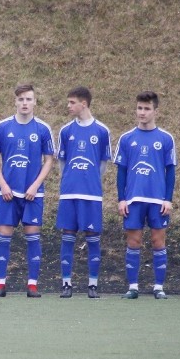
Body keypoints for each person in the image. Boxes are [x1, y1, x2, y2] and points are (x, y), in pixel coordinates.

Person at [0, 83, 55, 297]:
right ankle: (0, 284)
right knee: (4, 235)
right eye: (21, 99)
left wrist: (36, 185)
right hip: (8, 192)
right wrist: (3, 184)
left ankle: (32, 284)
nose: (25, 103)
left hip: (33, 194)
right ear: (15, 102)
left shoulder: (43, 129)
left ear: (35, 102)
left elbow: (49, 160)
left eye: (28, 99)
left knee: (33, 235)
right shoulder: (3, 127)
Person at [114, 91, 177, 299]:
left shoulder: (166, 139)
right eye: (139, 108)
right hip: (134, 199)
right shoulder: (126, 138)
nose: (142, 112)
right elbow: (121, 171)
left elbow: (171, 171)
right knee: (134, 242)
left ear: (155, 111)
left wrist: (168, 198)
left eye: (147, 109)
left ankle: (158, 287)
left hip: (157, 200)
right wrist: (121, 199)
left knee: (158, 242)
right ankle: (133, 287)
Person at [55, 87, 111, 299]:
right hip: (69, 193)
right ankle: (66, 284)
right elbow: (62, 162)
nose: (68, 106)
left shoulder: (102, 131)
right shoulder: (65, 131)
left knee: (93, 238)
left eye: (72, 102)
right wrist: (71, 180)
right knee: (67, 236)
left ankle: (92, 285)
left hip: (92, 194)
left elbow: (103, 164)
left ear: (84, 103)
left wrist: (90, 181)